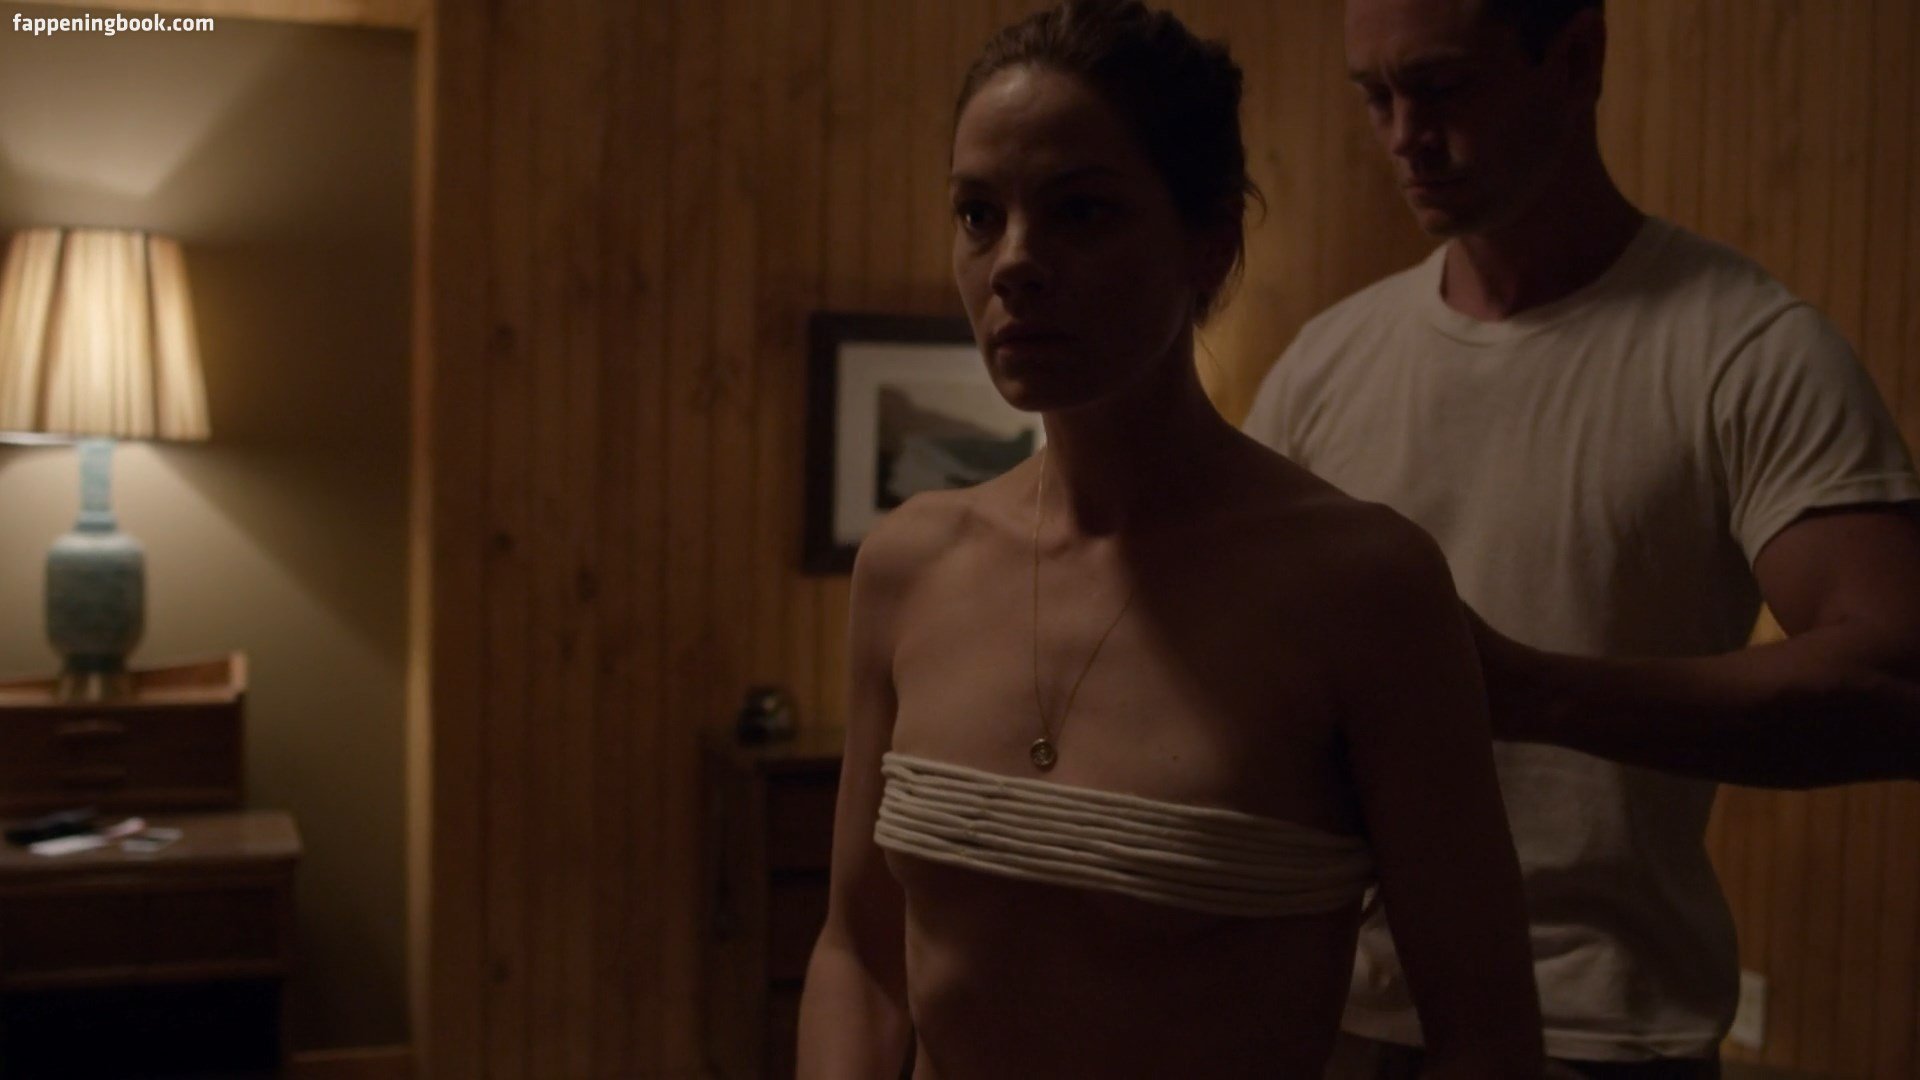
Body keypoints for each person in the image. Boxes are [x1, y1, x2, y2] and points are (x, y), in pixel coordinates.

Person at [795, 2, 1545, 1076]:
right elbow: (860, 956)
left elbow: (1484, 1035)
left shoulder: (1361, 589)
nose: (1014, 262)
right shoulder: (911, 565)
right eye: (978, 214)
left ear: (1210, 241)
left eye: (1082, 211)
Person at [1242, 0, 1920, 1074]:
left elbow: (1896, 682)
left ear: (1577, 59)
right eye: (1375, 95)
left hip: (1593, 1034)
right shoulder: (1327, 361)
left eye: (1442, 86)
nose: (1404, 135)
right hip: (1330, 1016)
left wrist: (1531, 693)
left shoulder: (1744, 350)